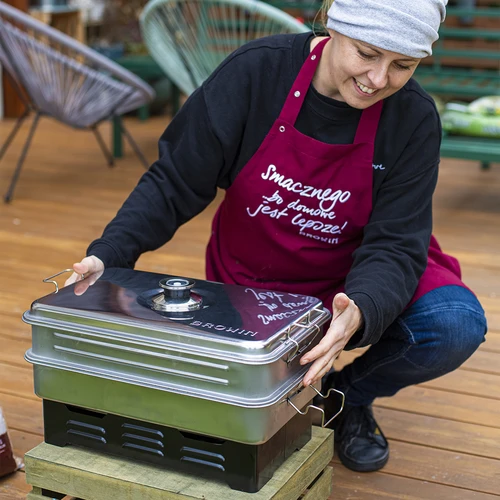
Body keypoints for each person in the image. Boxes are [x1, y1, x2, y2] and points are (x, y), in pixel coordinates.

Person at [66, 0, 487, 473]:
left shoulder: (412, 119)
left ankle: (343, 398)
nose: (378, 79)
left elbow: (395, 244)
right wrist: (110, 253)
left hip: (359, 275)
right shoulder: (256, 74)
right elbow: (176, 181)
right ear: (332, 23)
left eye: (403, 65)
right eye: (367, 53)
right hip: (256, 282)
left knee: (454, 324)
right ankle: (294, 391)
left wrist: (363, 308)